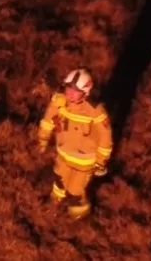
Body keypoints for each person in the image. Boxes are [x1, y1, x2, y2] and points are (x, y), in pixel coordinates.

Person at [36, 68, 114, 220]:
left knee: (75, 190)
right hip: (63, 155)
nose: (70, 93)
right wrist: (42, 139)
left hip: (84, 162)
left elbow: (105, 138)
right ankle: (54, 204)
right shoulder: (59, 102)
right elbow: (48, 122)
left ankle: (78, 216)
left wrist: (101, 161)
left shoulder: (95, 111)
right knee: (59, 180)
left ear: (85, 93)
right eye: (68, 88)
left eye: (76, 91)